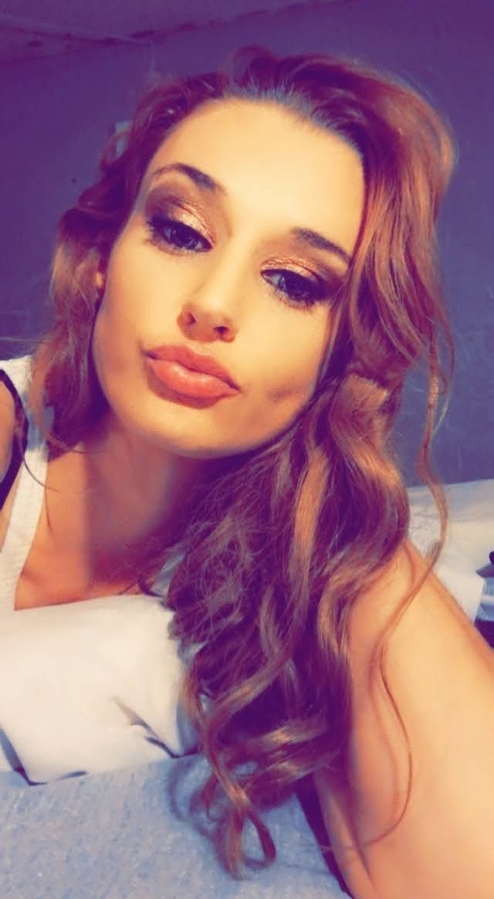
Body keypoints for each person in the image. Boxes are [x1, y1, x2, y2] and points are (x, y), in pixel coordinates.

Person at [1, 46, 493, 899]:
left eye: (294, 282)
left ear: (343, 349)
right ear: (102, 256)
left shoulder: (303, 549)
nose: (214, 304)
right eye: (181, 231)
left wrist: (348, 489)